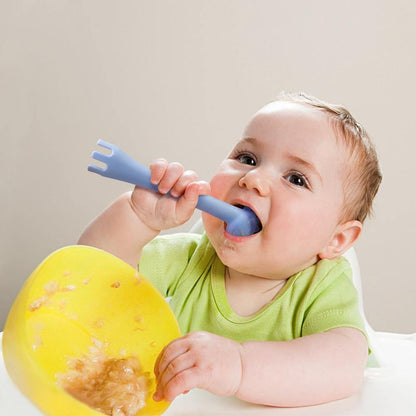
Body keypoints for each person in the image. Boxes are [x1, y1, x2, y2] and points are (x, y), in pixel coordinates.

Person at [78, 92, 382, 407]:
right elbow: (91, 280)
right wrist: (138, 217)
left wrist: (239, 365)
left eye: (296, 179)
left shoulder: (322, 286)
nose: (254, 178)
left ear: (337, 240)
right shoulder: (191, 258)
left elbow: (344, 366)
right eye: (248, 158)